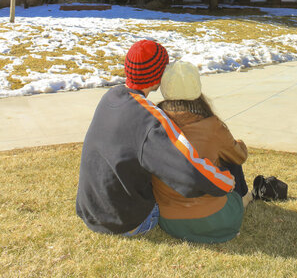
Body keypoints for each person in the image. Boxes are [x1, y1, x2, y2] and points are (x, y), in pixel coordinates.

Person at [76, 39, 234, 236]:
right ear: (159, 77)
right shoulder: (149, 119)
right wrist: (226, 181)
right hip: (126, 222)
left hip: (90, 212)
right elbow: (189, 173)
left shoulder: (111, 96)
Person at [152, 61, 252, 244]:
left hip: (169, 221)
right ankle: (247, 197)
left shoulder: (152, 122)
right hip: (216, 221)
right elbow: (240, 156)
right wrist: (237, 143)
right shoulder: (212, 125)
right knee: (229, 160)